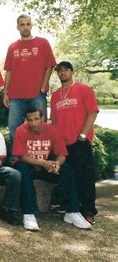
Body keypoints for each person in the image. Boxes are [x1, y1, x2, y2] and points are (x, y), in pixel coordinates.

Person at [12, 107, 92, 231]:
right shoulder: (21, 130)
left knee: (67, 169)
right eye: (30, 120)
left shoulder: (52, 130)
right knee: (23, 169)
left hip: (45, 167)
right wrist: (43, 162)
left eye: (36, 119)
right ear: (26, 121)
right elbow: (21, 156)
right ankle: (29, 214)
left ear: (43, 118)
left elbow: (62, 154)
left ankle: (72, 211)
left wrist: (57, 164)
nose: (33, 123)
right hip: (28, 166)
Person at [50, 61, 99, 225]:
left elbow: (92, 113)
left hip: (80, 141)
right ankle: (69, 207)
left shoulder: (84, 90)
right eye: (59, 71)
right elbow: (55, 122)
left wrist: (84, 134)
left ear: (72, 72)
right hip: (63, 144)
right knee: (68, 176)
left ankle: (89, 211)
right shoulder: (56, 95)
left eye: (65, 70)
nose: (62, 73)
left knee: (85, 177)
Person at [3, 14, 56, 139]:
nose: (25, 27)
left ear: (31, 25)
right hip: (16, 96)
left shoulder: (42, 43)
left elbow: (50, 65)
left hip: (37, 94)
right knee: (14, 128)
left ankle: (41, 157)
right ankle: (17, 158)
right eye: (22, 25)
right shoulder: (12, 47)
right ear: (17, 27)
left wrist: (43, 86)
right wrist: (6, 92)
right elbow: (9, 71)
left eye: (28, 24)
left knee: (40, 128)